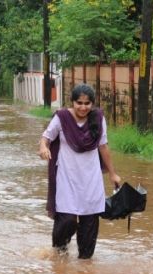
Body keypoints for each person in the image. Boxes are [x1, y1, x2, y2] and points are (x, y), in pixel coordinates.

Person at [38, 84, 122, 259]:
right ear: (72, 102)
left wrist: (113, 173)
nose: (83, 107)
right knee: (67, 220)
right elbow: (46, 137)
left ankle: (85, 267)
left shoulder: (98, 119)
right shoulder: (62, 118)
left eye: (87, 103)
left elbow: (103, 147)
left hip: (91, 179)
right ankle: (59, 255)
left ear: (92, 103)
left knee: (89, 223)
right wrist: (43, 148)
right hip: (66, 178)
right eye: (79, 103)